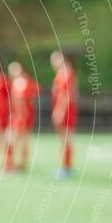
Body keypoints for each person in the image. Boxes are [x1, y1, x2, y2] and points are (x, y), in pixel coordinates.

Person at [50, 51, 78, 179]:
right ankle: (65, 166)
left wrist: (60, 111)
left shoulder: (66, 73)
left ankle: (67, 168)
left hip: (67, 111)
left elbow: (67, 95)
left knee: (66, 138)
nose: (53, 62)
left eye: (55, 59)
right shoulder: (62, 73)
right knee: (64, 139)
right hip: (64, 110)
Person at [7, 62, 39, 171]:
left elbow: (32, 99)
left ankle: (20, 163)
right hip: (16, 116)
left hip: (24, 117)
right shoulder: (15, 82)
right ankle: (13, 163)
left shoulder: (27, 82)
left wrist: (26, 114)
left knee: (21, 139)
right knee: (13, 139)